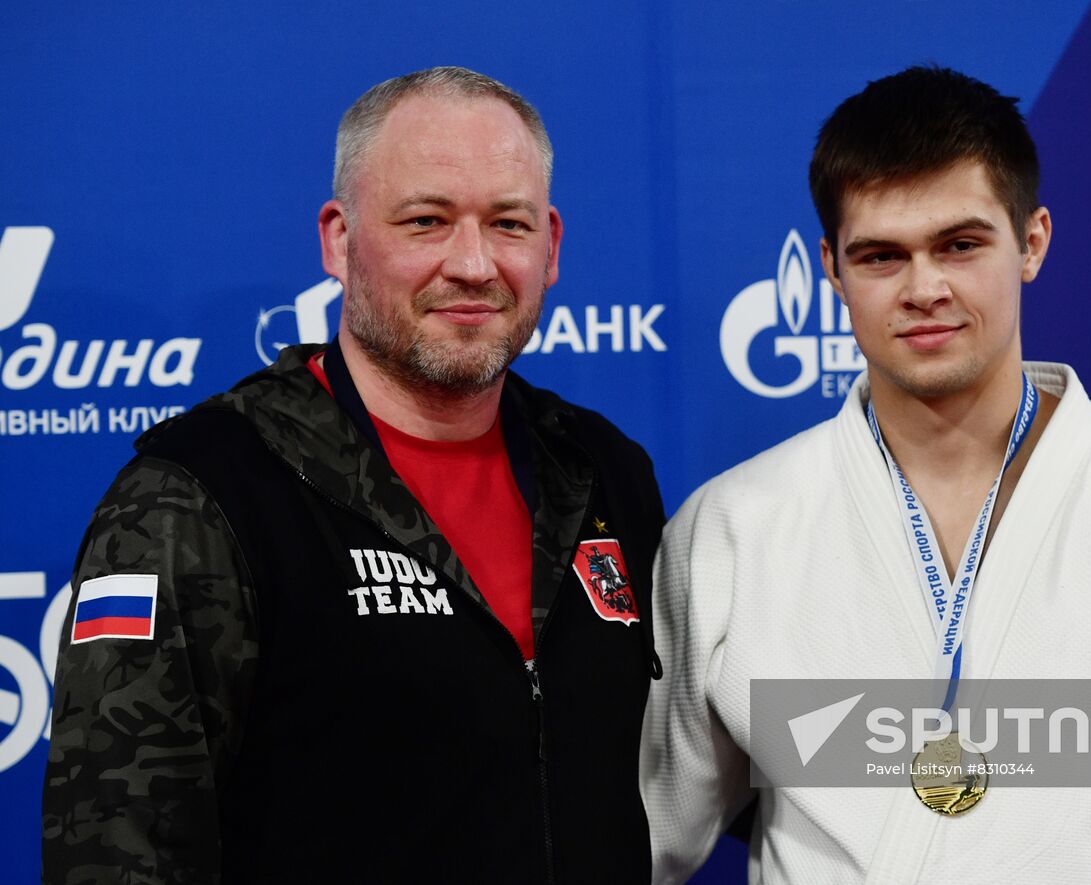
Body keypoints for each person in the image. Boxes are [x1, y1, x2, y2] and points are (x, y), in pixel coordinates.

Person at [641, 66, 1091, 883]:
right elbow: (634, 834)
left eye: (960, 244)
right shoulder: (733, 530)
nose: (925, 288)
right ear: (831, 269)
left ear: (1031, 241)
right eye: (882, 255)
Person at [43, 66, 663, 884]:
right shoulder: (199, 494)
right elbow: (119, 854)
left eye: (507, 224)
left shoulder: (604, 470)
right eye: (426, 221)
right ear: (338, 239)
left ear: (551, 246)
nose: (473, 264)